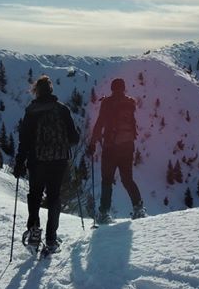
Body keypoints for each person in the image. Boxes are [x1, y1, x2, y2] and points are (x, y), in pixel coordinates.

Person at [15, 75, 79, 254]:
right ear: (51, 90)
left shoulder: (31, 111)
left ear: (36, 91)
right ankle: (51, 239)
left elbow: (24, 140)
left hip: (37, 161)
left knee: (35, 196)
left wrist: (20, 161)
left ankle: (34, 233)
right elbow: (74, 138)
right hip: (58, 161)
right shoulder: (62, 109)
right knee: (54, 197)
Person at [88, 78, 146, 222]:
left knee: (107, 180)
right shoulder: (130, 102)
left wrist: (92, 144)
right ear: (124, 88)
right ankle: (138, 208)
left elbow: (99, 124)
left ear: (113, 88)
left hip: (110, 148)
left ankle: (104, 213)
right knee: (127, 179)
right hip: (127, 146)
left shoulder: (107, 103)